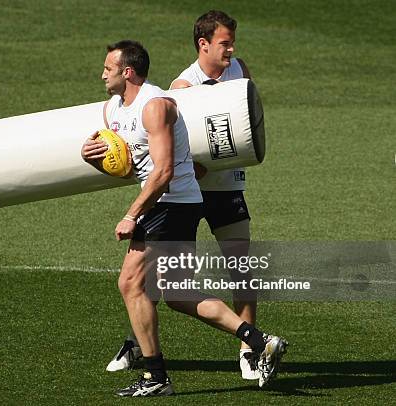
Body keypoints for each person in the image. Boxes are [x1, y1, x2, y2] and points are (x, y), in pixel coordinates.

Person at [82, 40, 286, 396]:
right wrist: (94, 157)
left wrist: (131, 214)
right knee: (176, 292)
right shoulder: (117, 108)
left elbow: (162, 173)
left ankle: (155, 377)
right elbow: (133, 164)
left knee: (131, 284)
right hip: (167, 203)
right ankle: (259, 340)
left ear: (127, 72)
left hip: (172, 204)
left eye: (108, 69)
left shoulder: (155, 105)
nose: (102, 74)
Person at [106, 10, 262, 382]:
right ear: (203, 44)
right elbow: (173, 151)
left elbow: (250, 121)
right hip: (188, 193)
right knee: (159, 280)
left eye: (231, 42)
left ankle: (249, 350)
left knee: (241, 270)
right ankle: (135, 343)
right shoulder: (182, 88)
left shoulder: (240, 69)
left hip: (228, 189)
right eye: (224, 42)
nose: (231, 49)